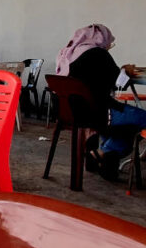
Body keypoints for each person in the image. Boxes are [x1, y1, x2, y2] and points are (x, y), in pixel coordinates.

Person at [56, 23, 146, 179]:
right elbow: (119, 83)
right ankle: (103, 152)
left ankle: (104, 158)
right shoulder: (98, 54)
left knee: (125, 130)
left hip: (75, 112)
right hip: (101, 113)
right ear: (101, 38)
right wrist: (126, 70)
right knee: (141, 118)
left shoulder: (69, 55)